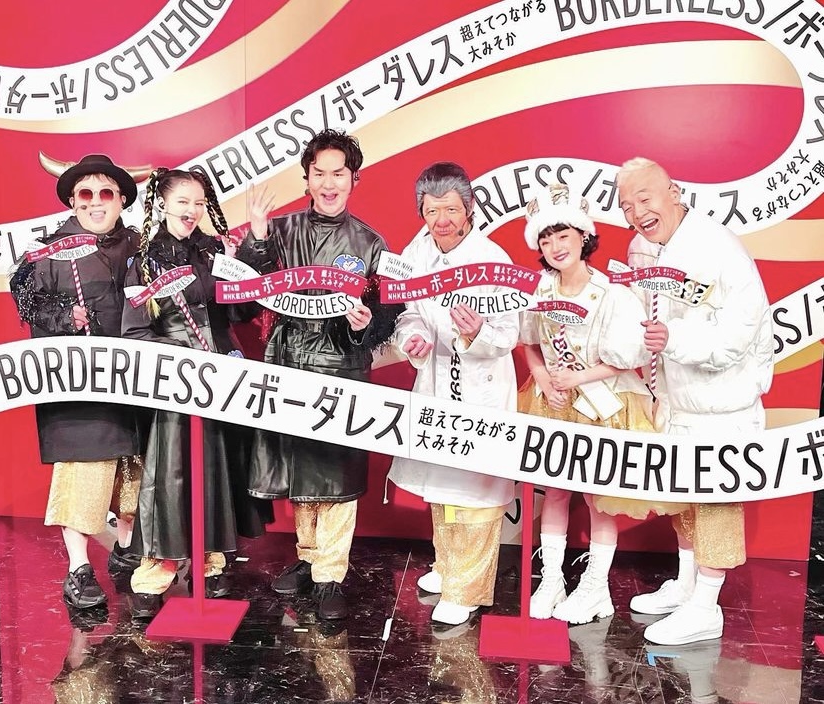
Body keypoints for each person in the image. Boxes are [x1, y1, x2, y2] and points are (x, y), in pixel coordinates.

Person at [237, 129, 401, 621]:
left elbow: (388, 312)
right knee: (300, 468)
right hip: (287, 360)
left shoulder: (371, 243)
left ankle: (330, 574)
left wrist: (366, 324)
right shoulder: (280, 231)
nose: (329, 184)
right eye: (320, 173)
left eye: (339, 174)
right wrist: (257, 238)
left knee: (334, 472)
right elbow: (244, 293)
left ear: (354, 179)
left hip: (340, 366)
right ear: (307, 179)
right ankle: (309, 559)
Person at [616, 157, 773, 645]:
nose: (637, 212)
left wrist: (675, 339)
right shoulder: (644, 249)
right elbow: (643, 322)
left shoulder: (720, 248)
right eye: (626, 205)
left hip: (722, 406)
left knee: (716, 505)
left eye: (645, 198)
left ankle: (707, 606)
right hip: (676, 401)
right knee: (682, 499)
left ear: (674, 192)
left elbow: (737, 333)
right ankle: (687, 586)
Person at [519, 184, 688, 625]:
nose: (556, 247)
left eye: (564, 236)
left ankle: (596, 587)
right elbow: (529, 343)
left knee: (599, 497)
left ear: (583, 237)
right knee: (554, 491)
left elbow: (627, 358)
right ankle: (551, 579)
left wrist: (577, 377)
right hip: (553, 400)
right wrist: (543, 378)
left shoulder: (610, 293)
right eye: (546, 239)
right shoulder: (539, 290)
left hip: (603, 403)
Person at [122, 167, 269, 618]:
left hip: (222, 379)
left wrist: (254, 245)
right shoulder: (143, 262)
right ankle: (155, 572)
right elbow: (134, 333)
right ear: (162, 204)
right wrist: (180, 358)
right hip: (175, 383)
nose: (191, 211)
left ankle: (211, 561)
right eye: (183, 201)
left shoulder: (214, 252)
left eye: (199, 203)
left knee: (217, 469)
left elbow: (243, 308)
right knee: (169, 475)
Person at [9, 153, 151, 610]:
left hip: (133, 385)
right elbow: (26, 300)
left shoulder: (141, 246)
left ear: (121, 199)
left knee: (134, 472)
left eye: (105, 192)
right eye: (84, 193)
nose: (94, 201)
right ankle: (79, 569)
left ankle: (127, 551)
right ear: (72, 201)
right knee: (84, 473)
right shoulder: (47, 252)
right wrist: (63, 316)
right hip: (78, 390)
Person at [387, 162, 517, 628]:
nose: (441, 220)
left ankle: (468, 589)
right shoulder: (416, 252)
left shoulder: (493, 259)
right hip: (436, 382)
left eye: (451, 210)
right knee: (442, 481)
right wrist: (414, 338)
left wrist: (479, 331)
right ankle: (448, 567)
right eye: (431, 210)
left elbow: (509, 332)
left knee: (475, 491)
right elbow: (407, 312)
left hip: (481, 387)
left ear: (469, 209)